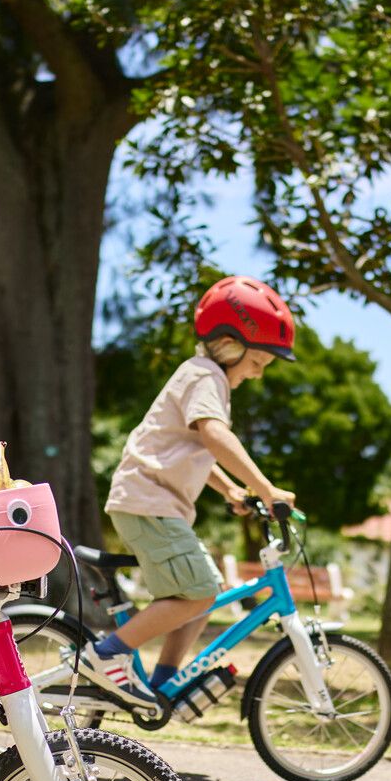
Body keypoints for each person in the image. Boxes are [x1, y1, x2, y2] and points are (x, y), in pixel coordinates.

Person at [86, 276, 297, 705]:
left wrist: (232, 490)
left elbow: (197, 447)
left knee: (205, 593)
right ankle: (104, 655)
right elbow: (214, 435)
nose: (258, 373)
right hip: (148, 501)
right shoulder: (206, 376)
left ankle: (163, 684)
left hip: (152, 502)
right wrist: (265, 488)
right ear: (230, 346)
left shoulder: (204, 376)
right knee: (198, 593)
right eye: (258, 362)